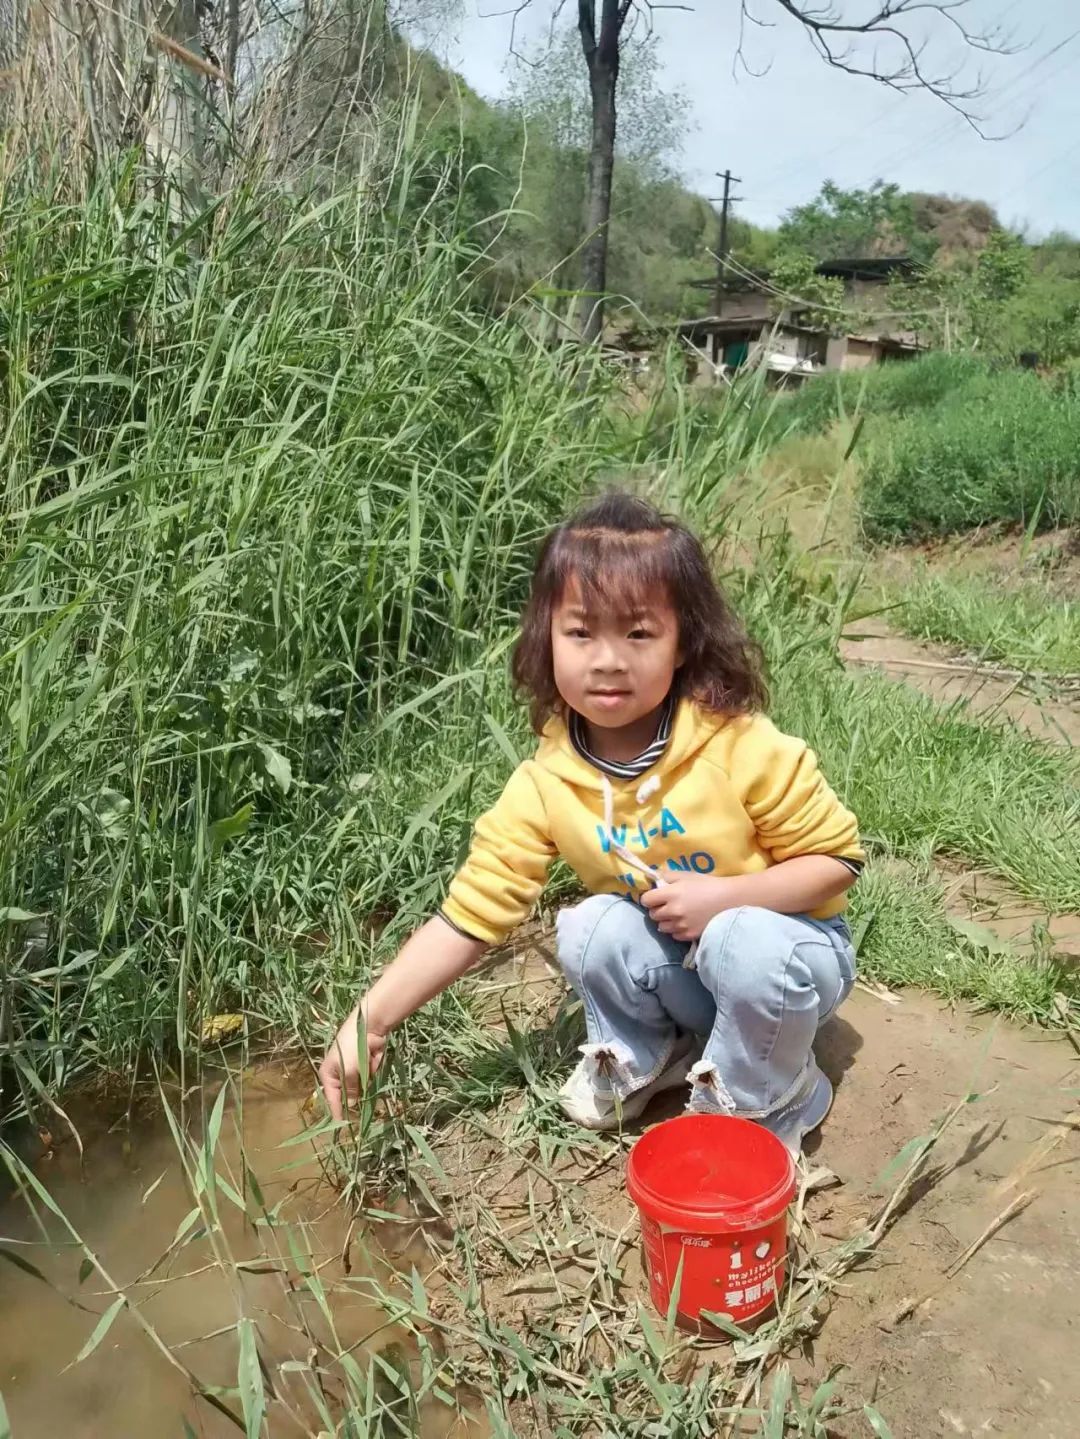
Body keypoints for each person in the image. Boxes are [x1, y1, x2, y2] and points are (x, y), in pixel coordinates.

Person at [319, 492, 862, 1154]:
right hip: (693, 971)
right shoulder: (549, 779)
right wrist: (368, 1019)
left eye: (638, 633)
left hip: (787, 954)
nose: (607, 659)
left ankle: (770, 1093)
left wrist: (723, 898)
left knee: (737, 938)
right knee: (589, 926)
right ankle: (647, 1053)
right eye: (580, 632)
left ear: (684, 641)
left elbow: (838, 860)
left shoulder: (737, 745)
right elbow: (471, 913)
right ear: (546, 637)